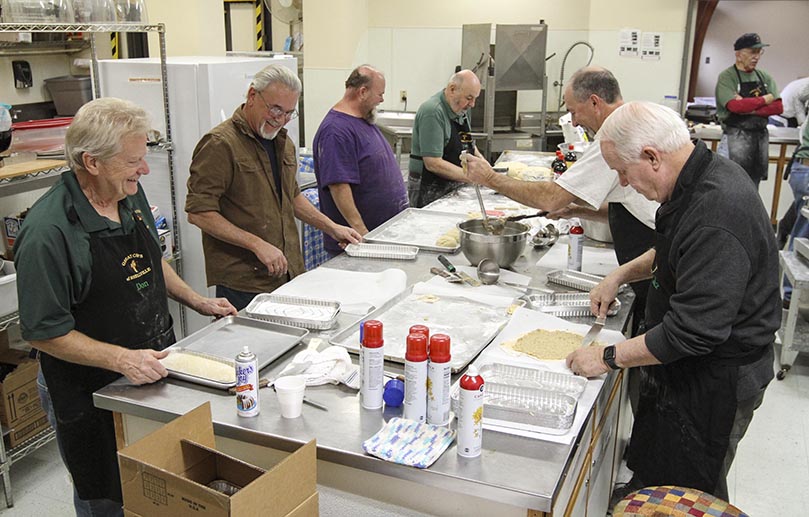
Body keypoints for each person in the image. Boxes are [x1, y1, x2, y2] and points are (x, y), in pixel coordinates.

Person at [13, 98, 238, 516]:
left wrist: (196, 299)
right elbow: (44, 332)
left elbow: (152, 261)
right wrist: (122, 359)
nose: (145, 170)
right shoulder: (49, 232)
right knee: (106, 496)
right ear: (91, 162)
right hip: (89, 390)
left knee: (156, 486)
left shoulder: (127, 197)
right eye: (133, 160)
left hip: (149, 369)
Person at [566, 101, 780, 501]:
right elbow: (673, 250)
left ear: (651, 157)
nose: (624, 184)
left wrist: (606, 356)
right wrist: (619, 274)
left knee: (692, 488)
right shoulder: (693, 177)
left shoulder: (719, 210)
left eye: (623, 172)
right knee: (659, 458)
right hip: (685, 367)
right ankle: (644, 494)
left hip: (718, 376)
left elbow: (691, 333)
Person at [464, 66, 658, 335]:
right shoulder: (636, 119)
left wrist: (490, 178)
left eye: (574, 112)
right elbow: (631, 203)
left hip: (655, 260)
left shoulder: (617, 134)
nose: (574, 123)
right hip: (651, 253)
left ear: (594, 102)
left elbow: (551, 197)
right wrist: (577, 210)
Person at [186, 64, 361, 310]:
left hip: (287, 272)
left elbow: (291, 197)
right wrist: (256, 244)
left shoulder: (282, 142)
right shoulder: (220, 145)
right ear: (252, 95)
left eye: (289, 113)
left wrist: (332, 228)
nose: (280, 119)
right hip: (245, 282)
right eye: (275, 109)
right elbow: (199, 212)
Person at [313, 65, 408, 256]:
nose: (381, 99)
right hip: (357, 244)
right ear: (363, 92)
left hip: (381, 237)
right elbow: (339, 186)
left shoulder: (362, 120)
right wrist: (362, 234)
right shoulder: (336, 130)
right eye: (379, 94)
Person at [715, 32, 783, 188]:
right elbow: (734, 106)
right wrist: (765, 100)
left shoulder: (764, 77)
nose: (756, 57)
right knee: (728, 186)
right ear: (738, 54)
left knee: (752, 188)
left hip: (759, 140)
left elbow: (778, 107)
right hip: (735, 139)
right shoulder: (727, 77)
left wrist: (748, 107)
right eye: (752, 52)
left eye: (759, 52)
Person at [408, 69, 481, 208]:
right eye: (469, 98)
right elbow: (433, 163)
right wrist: (474, 178)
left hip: (454, 181)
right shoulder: (433, 111)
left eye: (475, 98)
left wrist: (490, 172)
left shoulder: (462, 109)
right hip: (429, 187)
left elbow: (469, 145)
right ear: (452, 89)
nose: (473, 104)